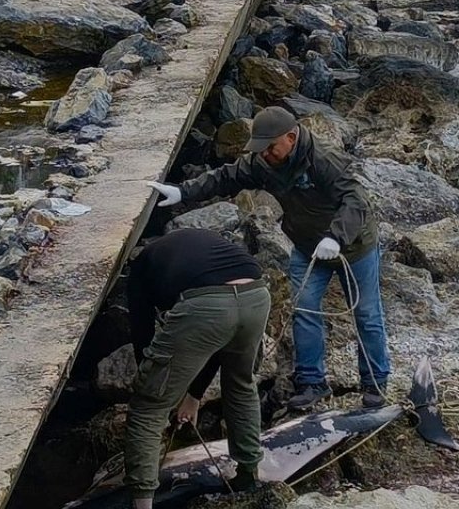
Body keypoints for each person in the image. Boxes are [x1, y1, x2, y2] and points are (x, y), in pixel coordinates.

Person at [148, 105, 391, 410]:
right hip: (307, 247)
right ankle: (312, 383)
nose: (265, 154)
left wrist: (336, 237)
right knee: (304, 311)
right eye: (261, 149)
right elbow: (228, 176)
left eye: (270, 148)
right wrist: (183, 191)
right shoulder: (265, 162)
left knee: (367, 315)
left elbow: (356, 199)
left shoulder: (324, 160)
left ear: (291, 137)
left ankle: (375, 384)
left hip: (354, 247)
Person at [123, 227, 271, 509]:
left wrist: (160, 388)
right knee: (241, 385)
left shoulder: (141, 270)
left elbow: (143, 337)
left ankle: (141, 503)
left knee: (147, 407)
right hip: (256, 295)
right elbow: (218, 344)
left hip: (207, 306)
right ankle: (248, 476)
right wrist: (192, 395)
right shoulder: (195, 246)